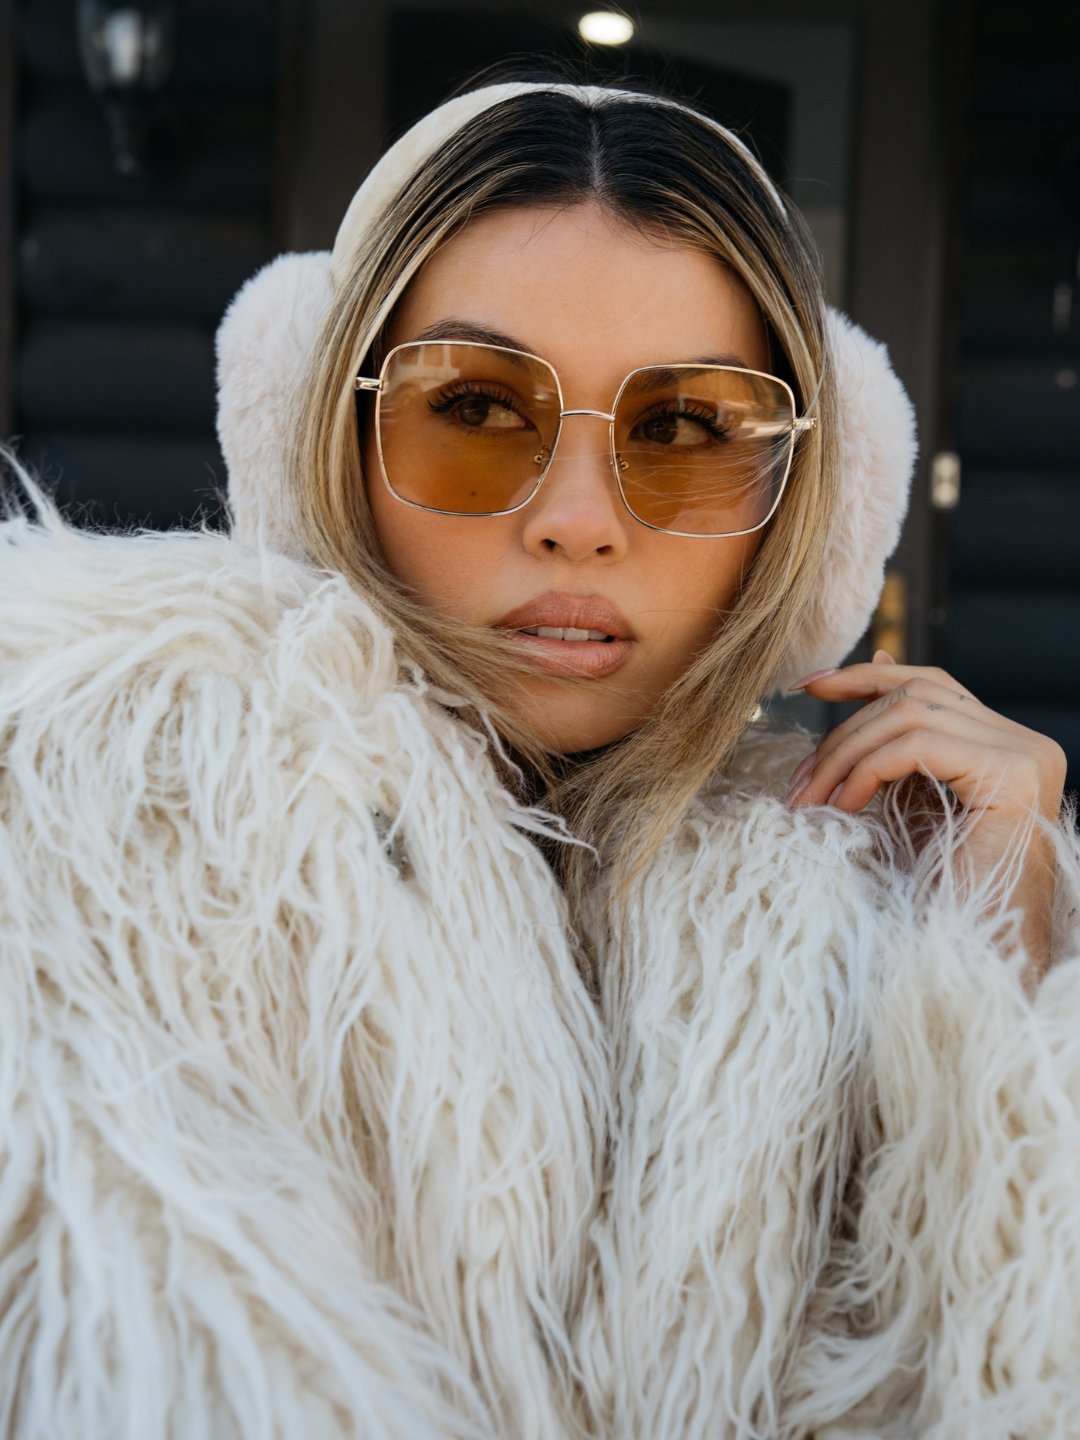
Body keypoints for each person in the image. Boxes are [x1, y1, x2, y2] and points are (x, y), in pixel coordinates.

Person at [1, 78, 1078, 1439]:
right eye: (476, 407)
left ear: (804, 501)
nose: (578, 520)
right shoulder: (112, 832)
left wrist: (1002, 964)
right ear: (329, 430)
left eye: (683, 429)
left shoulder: (857, 923)